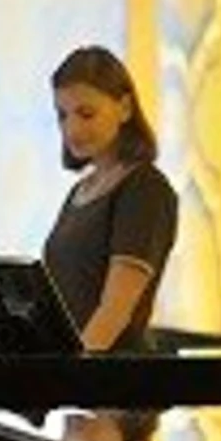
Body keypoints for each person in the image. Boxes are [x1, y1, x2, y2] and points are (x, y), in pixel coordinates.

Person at [43, 46, 179, 352]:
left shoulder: (145, 189)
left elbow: (115, 311)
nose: (72, 129)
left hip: (116, 383)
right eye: (62, 115)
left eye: (86, 113)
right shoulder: (81, 191)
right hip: (82, 380)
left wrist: (73, 374)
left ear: (125, 108)